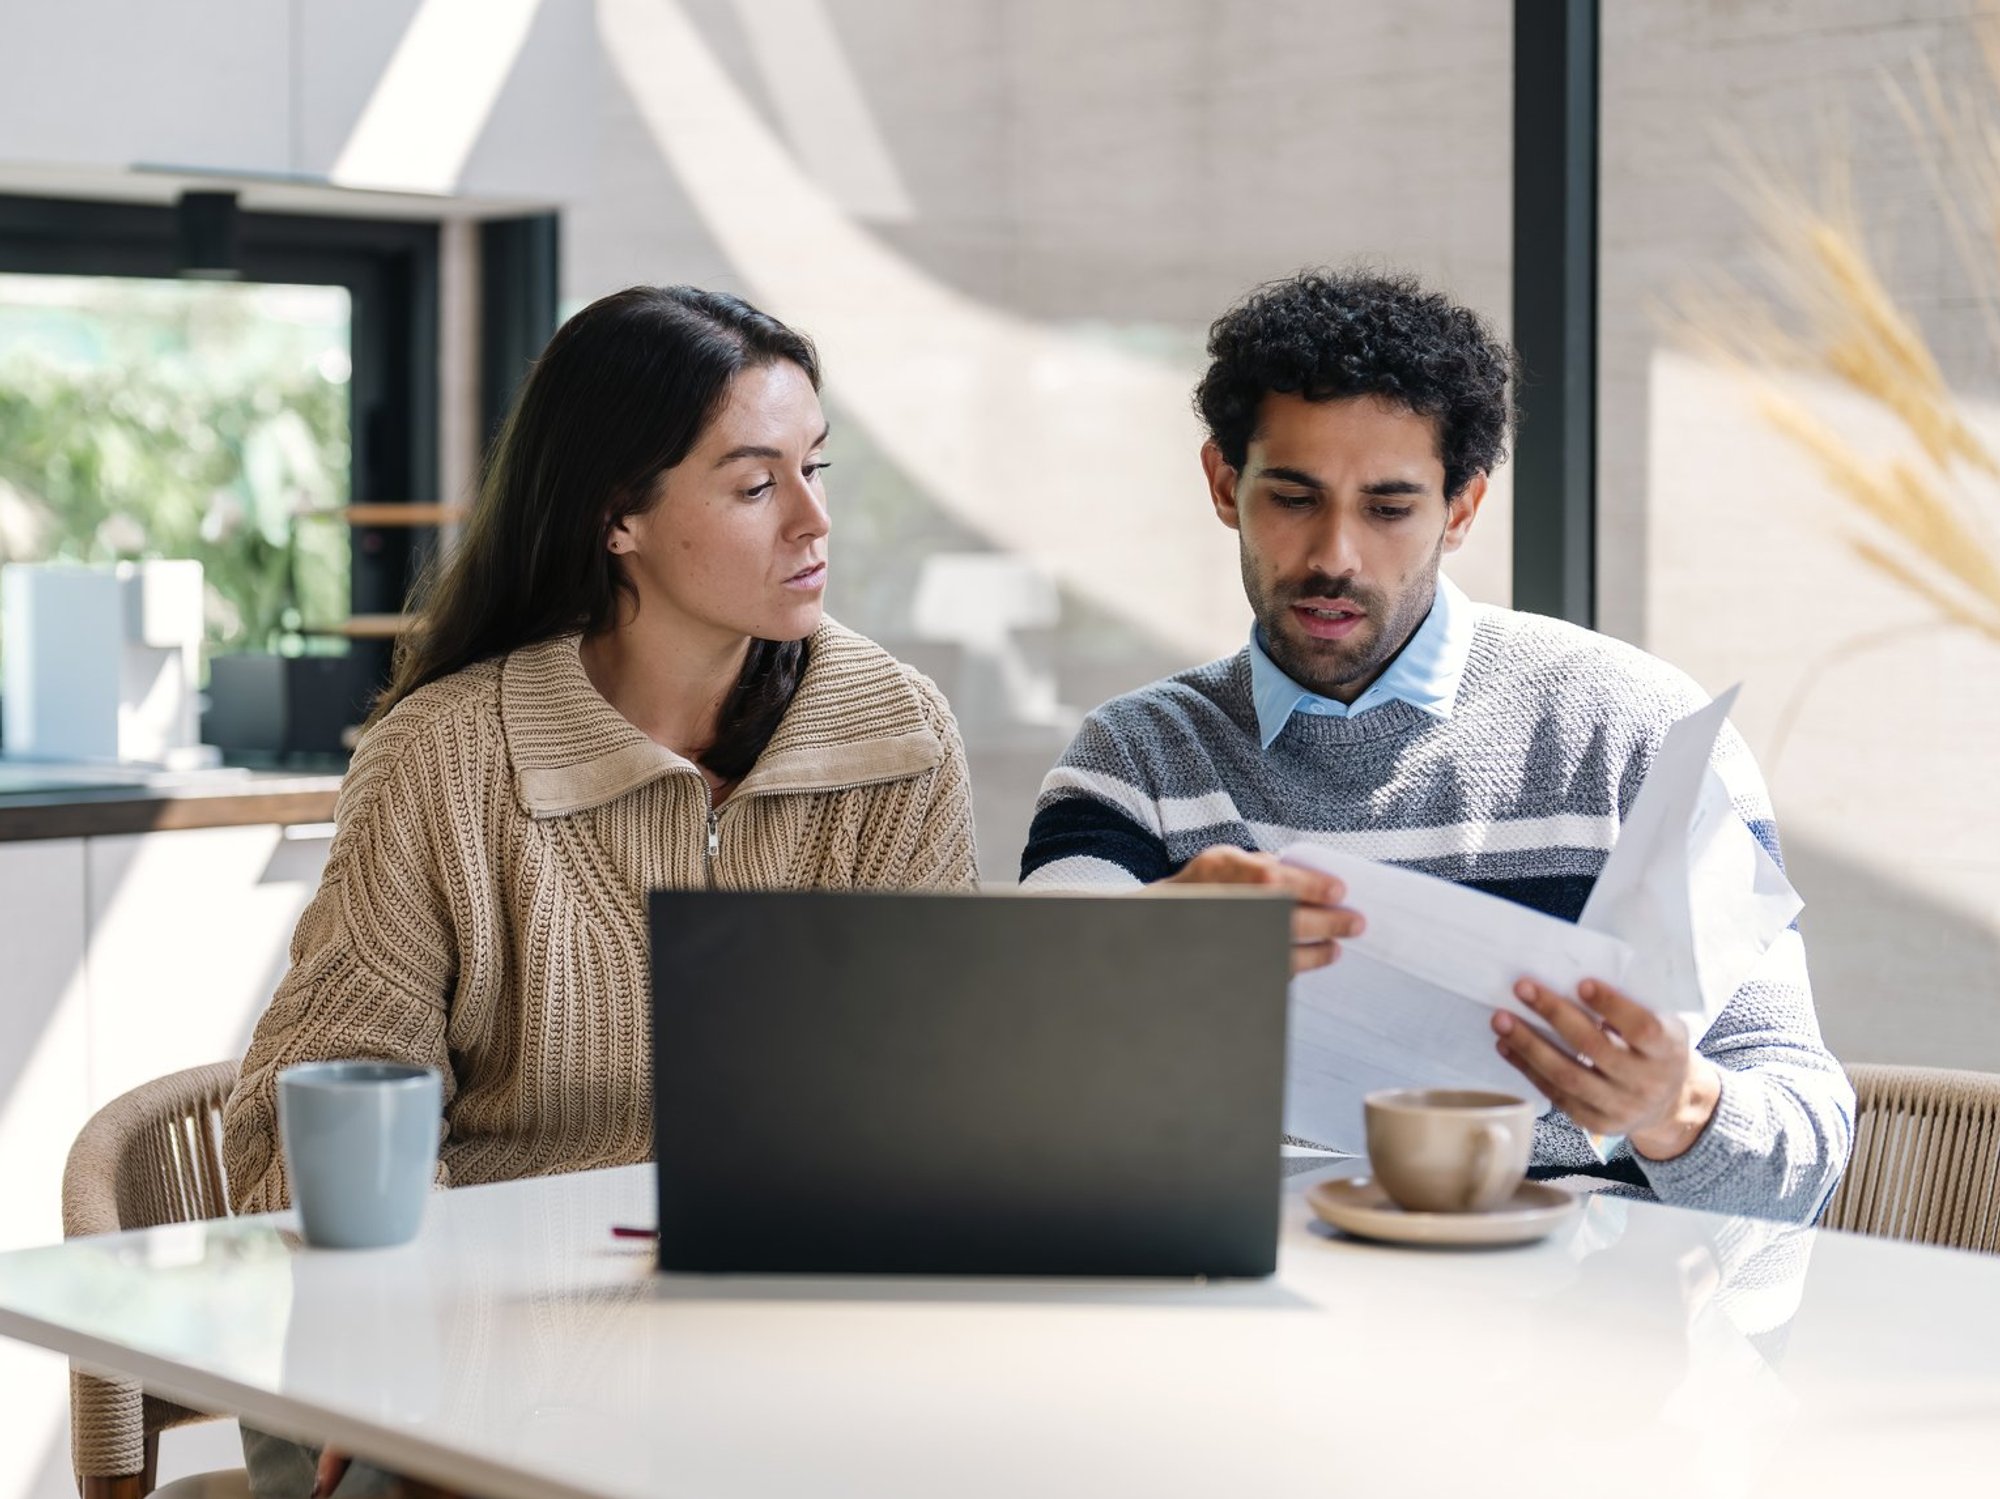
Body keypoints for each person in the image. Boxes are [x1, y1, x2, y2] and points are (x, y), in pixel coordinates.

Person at [222, 285, 978, 1496]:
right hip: (484, 1341)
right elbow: (336, 1087)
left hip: (783, 1346)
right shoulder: (445, 757)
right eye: (753, 484)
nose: (812, 519)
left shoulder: (897, 736)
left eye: (815, 466)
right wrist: (381, 1327)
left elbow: (940, 1089)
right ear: (615, 515)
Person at [1020, 269, 1852, 1224]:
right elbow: (1020, 1066)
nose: (1336, 554)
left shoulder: (1641, 735)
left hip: (1578, 1327)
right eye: (1293, 498)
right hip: (1240, 1304)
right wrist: (1143, 946)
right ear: (1224, 484)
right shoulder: (1138, 759)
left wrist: (1677, 1107)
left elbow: (1806, 1156)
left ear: (1461, 509)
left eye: (1389, 508)